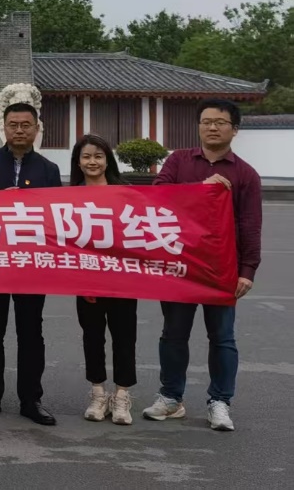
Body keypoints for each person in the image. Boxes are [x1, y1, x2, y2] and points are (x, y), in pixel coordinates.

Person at [144, 98, 261, 432]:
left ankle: (220, 401)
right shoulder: (179, 161)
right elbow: (159, 195)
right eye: (206, 121)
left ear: (234, 130)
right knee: (173, 334)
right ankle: (171, 397)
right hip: (180, 264)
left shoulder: (245, 174)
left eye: (220, 122)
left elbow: (250, 224)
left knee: (222, 337)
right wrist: (200, 189)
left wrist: (247, 271)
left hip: (222, 269)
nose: (212, 127)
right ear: (198, 126)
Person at [0, 102, 63, 426]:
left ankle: (31, 399)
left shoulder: (48, 170)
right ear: (3, 128)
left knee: (31, 333)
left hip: (31, 264)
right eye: (13, 125)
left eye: (25, 125)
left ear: (36, 128)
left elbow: (58, 217)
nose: (19, 130)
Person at [70, 134, 136, 426]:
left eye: (98, 156)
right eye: (86, 157)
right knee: (92, 337)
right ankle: (98, 393)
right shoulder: (68, 196)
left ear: (107, 160)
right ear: (78, 162)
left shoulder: (125, 192)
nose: (92, 162)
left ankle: (121, 396)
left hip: (123, 279)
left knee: (125, 337)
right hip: (86, 280)